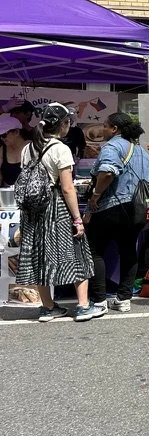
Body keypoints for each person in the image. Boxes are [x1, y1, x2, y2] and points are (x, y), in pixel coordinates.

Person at [14, 102, 97, 322]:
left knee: (39, 255)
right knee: (77, 252)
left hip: (33, 210)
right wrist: (78, 219)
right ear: (64, 124)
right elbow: (68, 188)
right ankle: (82, 306)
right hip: (55, 206)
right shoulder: (61, 149)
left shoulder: (27, 148)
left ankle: (48, 307)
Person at [83, 112, 149, 314]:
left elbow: (107, 171)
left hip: (112, 206)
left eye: (105, 126)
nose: (102, 130)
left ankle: (99, 301)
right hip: (137, 209)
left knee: (95, 250)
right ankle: (123, 298)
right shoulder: (141, 151)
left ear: (114, 129)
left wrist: (95, 195)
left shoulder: (113, 147)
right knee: (128, 250)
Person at [0, 115, 25, 186]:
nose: (2, 138)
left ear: (16, 132)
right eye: (0, 136)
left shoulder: (29, 147)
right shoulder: (2, 150)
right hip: (8, 194)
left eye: (4, 135)